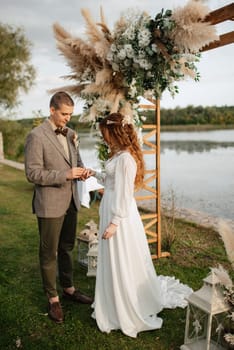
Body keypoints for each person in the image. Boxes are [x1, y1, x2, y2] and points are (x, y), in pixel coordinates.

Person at [91, 112, 193, 338]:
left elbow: (126, 194)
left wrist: (115, 223)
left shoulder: (127, 159)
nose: (103, 137)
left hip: (121, 216)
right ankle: (111, 302)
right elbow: (111, 181)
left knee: (122, 259)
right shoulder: (118, 155)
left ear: (114, 131)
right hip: (111, 207)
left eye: (104, 132)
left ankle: (125, 307)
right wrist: (93, 174)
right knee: (112, 259)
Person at [24, 91, 93, 324]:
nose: (67, 119)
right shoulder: (36, 136)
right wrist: (65, 175)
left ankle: (69, 289)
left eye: (70, 114)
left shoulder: (72, 134)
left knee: (66, 248)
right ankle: (53, 299)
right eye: (64, 114)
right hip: (50, 205)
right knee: (49, 252)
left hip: (71, 201)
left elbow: (77, 162)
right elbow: (32, 173)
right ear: (52, 110)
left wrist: (83, 172)